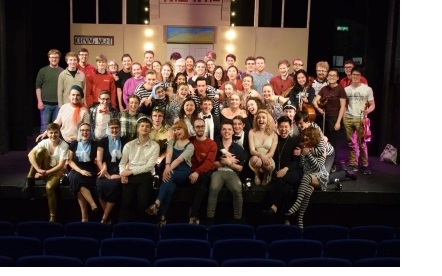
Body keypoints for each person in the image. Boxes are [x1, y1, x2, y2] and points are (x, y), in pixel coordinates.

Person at [146, 120, 194, 227]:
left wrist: (167, 170)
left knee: (169, 176)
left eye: (179, 129)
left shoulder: (190, 146)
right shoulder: (172, 142)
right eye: (175, 130)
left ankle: (157, 203)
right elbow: (169, 154)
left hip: (184, 171)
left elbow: (179, 160)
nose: (177, 131)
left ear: (184, 129)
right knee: (170, 188)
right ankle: (162, 218)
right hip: (171, 169)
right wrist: (167, 166)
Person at [285, 127, 329, 229]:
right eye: (304, 136)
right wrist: (301, 155)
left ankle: (296, 205)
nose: (305, 138)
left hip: (320, 177)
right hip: (308, 178)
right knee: (308, 192)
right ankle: (300, 221)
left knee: (306, 177)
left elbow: (318, 168)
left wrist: (308, 154)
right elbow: (302, 166)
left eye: (308, 137)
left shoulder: (321, 150)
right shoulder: (304, 148)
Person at [23, 123, 69, 221]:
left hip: (57, 172)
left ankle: (52, 217)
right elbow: (30, 154)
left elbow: (61, 166)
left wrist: (46, 172)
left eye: (55, 133)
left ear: (59, 133)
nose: (53, 135)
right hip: (44, 170)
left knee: (49, 187)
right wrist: (38, 169)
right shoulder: (44, 142)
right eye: (51, 133)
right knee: (40, 151)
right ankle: (30, 179)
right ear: (47, 133)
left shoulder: (64, 145)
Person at [118, 116, 160, 222]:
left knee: (142, 205)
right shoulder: (129, 145)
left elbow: (149, 166)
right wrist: (122, 174)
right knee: (126, 204)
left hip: (146, 176)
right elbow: (122, 163)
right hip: (130, 177)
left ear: (150, 129)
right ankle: (123, 230)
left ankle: (141, 230)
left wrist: (130, 172)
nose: (144, 128)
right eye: (142, 126)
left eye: (147, 126)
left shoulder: (155, 146)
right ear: (137, 128)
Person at [262, 116, 302, 224]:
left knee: (281, 181)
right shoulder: (275, 140)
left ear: (290, 127)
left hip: (292, 171)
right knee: (287, 189)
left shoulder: (294, 141)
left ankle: (274, 207)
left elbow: (296, 162)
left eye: (286, 127)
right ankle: (286, 219)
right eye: (281, 127)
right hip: (278, 172)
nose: (283, 129)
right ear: (277, 127)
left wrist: (285, 169)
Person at [206, 121, 245, 225]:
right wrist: (223, 163)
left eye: (229, 129)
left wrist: (229, 163)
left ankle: (238, 219)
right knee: (213, 188)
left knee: (238, 190)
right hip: (218, 172)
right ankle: (210, 218)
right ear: (221, 131)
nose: (227, 131)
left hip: (232, 173)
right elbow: (211, 163)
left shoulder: (238, 148)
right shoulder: (214, 146)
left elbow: (240, 168)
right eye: (224, 129)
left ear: (233, 132)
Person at [312, 68, 347, 171]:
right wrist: (319, 109)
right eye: (329, 75)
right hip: (323, 118)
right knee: (323, 141)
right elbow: (315, 101)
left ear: (337, 78)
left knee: (333, 143)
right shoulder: (324, 89)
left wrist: (338, 122)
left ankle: (333, 164)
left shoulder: (340, 89)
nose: (331, 77)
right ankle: (323, 162)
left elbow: (342, 107)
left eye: (333, 75)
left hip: (334, 118)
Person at [343, 67, 375, 175]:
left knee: (362, 143)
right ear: (350, 75)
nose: (355, 77)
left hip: (361, 118)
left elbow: (372, 104)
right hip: (348, 117)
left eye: (358, 75)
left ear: (361, 76)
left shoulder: (367, 89)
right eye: (354, 74)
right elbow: (344, 105)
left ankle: (364, 165)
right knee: (351, 143)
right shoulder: (346, 89)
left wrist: (367, 111)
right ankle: (353, 164)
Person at [96, 118, 127, 224]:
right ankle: (108, 216)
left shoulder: (124, 141)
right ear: (108, 129)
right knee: (99, 185)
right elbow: (99, 160)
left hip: (120, 171)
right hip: (105, 171)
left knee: (114, 186)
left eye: (116, 128)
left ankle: (104, 218)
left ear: (119, 128)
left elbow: (128, 160)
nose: (114, 130)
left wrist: (120, 174)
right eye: (112, 128)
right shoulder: (103, 141)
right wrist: (107, 175)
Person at [67, 123, 99, 222]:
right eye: (82, 130)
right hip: (77, 169)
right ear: (79, 132)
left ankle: (84, 217)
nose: (85, 132)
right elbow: (70, 161)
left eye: (87, 130)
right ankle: (93, 204)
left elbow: (98, 159)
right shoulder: (74, 144)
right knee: (77, 178)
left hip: (90, 170)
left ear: (91, 131)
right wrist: (80, 171)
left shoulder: (95, 144)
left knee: (79, 189)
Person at [35, 49, 64, 134]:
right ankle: (43, 147)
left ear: (59, 59)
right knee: (44, 127)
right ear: (49, 58)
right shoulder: (43, 71)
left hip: (58, 105)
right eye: (52, 57)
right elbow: (38, 87)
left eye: (56, 57)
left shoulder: (62, 72)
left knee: (56, 127)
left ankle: (55, 147)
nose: (54, 59)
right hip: (45, 104)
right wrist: (39, 101)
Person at [248, 109, 278, 185]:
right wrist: (260, 156)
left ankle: (266, 174)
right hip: (256, 157)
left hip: (268, 157)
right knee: (255, 159)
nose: (261, 119)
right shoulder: (251, 132)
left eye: (263, 117)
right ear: (256, 120)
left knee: (266, 163)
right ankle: (256, 174)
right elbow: (252, 150)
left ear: (267, 120)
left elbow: (271, 153)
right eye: (259, 118)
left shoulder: (274, 135)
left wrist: (264, 158)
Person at [149, 105, 173, 179]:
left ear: (163, 117)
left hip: (162, 159)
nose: (157, 118)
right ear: (151, 117)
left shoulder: (168, 131)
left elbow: (170, 148)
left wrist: (161, 157)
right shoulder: (147, 130)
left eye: (160, 116)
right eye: (155, 115)